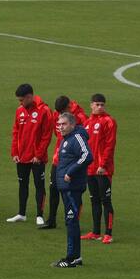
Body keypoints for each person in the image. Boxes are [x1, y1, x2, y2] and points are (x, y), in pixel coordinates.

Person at [7, 83, 53, 225]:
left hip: (36, 159)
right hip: (21, 157)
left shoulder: (44, 111)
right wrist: (14, 152)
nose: (20, 103)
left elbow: (46, 136)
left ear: (29, 97)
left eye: (21, 100)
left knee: (39, 185)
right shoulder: (19, 111)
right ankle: (22, 213)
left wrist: (38, 155)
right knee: (22, 185)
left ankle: (39, 215)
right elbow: (16, 132)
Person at [51, 113, 92, 268]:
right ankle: (75, 257)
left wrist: (70, 172)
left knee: (71, 221)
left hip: (72, 188)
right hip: (67, 188)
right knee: (71, 221)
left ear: (72, 125)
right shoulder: (67, 139)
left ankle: (72, 258)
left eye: (64, 124)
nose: (60, 127)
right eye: (59, 124)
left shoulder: (77, 138)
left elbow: (87, 155)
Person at [42, 96, 87, 230]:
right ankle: (51, 220)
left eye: (62, 112)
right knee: (53, 188)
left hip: (72, 162)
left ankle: (73, 220)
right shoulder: (58, 114)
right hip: (58, 159)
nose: (59, 116)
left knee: (71, 192)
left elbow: (84, 139)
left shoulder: (80, 117)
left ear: (68, 107)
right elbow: (58, 134)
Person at [82, 93, 117, 244]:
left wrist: (103, 165)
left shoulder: (109, 121)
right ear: (91, 105)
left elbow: (110, 145)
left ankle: (108, 233)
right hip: (90, 168)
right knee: (94, 200)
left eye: (102, 104)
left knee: (106, 201)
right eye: (97, 104)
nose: (100, 107)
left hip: (103, 170)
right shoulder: (88, 123)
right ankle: (96, 232)